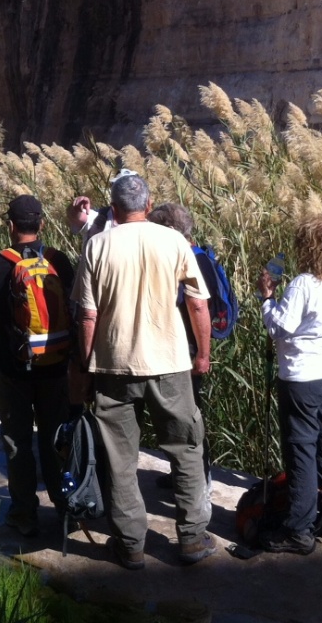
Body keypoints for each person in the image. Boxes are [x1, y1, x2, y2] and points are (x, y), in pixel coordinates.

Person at [72, 173, 217, 568]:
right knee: (186, 450)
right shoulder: (173, 241)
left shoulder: (97, 244)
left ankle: (131, 546)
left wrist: (85, 366)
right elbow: (198, 304)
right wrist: (202, 354)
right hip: (170, 363)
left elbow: (87, 314)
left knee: (120, 459)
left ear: (113, 209)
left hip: (113, 364)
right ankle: (190, 539)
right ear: (149, 205)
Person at [258, 218, 322, 553]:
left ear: (307, 248)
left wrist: (267, 300)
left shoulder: (303, 283)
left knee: (301, 449)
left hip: (304, 376)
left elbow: (281, 328)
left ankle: (299, 531)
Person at [0, 194, 74, 538]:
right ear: (42, 224)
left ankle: (24, 515)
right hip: (56, 365)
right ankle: (66, 510)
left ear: (11, 226)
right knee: (56, 439)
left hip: (14, 367)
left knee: (17, 442)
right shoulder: (59, 261)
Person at [147, 203, 214, 491]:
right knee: (180, 416)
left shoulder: (184, 257)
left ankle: (200, 483)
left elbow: (198, 306)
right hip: (182, 346)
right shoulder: (189, 254)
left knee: (188, 417)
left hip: (184, 347)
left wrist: (202, 354)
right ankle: (181, 477)